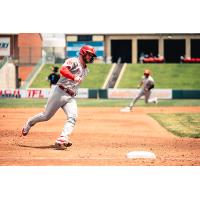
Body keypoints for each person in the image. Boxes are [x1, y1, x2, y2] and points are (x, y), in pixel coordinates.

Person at [21, 45, 97, 148]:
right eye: (89, 54)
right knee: (46, 116)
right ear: (83, 53)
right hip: (60, 92)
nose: (91, 57)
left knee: (73, 117)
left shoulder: (86, 70)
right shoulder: (74, 61)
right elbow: (63, 70)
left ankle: (63, 138)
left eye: (92, 55)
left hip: (70, 97)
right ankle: (30, 122)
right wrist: (73, 77)